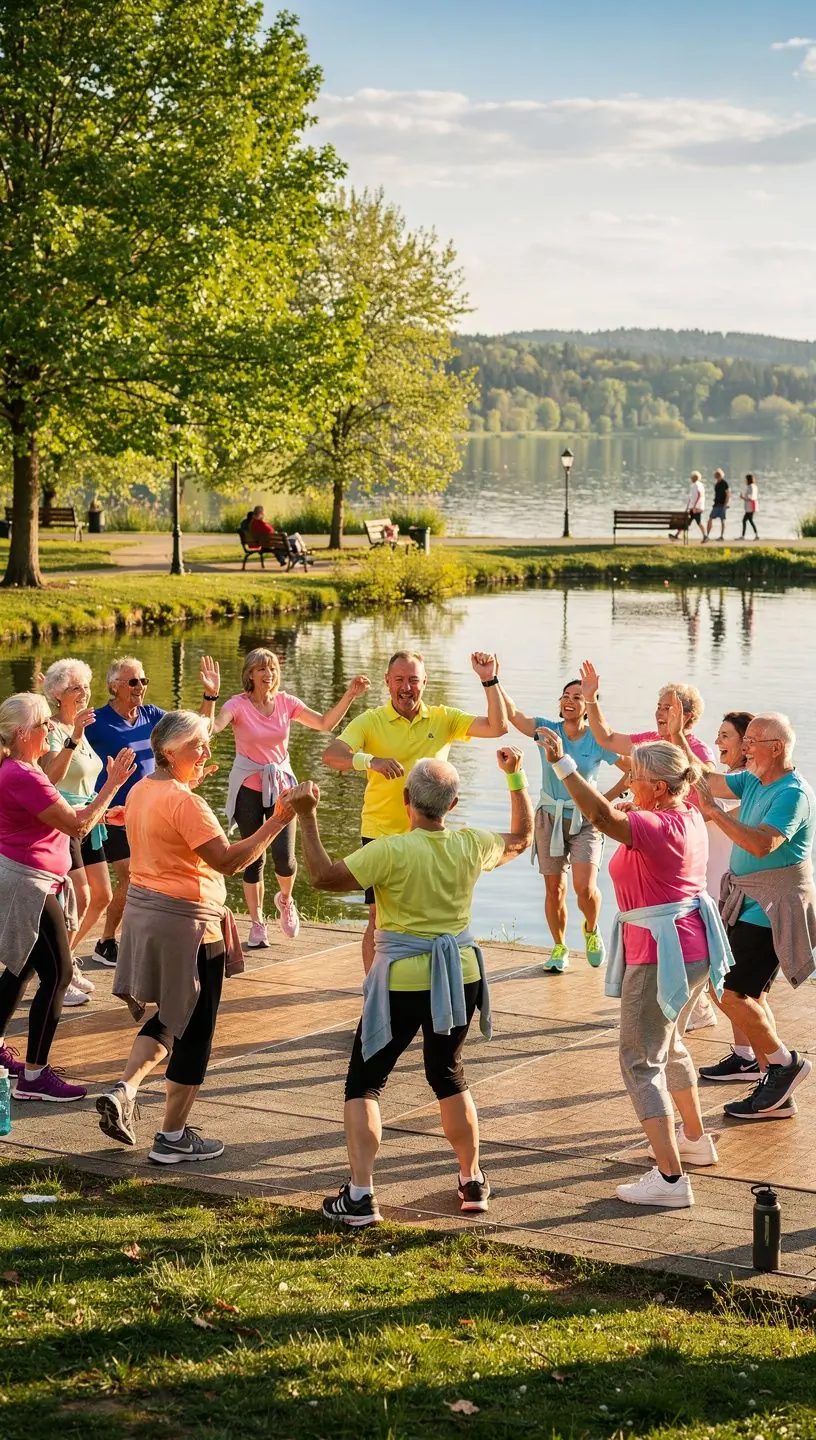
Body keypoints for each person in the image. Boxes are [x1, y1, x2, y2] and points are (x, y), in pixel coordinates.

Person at [289, 747, 533, 1225]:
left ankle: (361, 1196)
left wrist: (307, 815)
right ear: (453, 804)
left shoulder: (390, 850)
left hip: (402, 980)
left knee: (365, 1083)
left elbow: (320, 876)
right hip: (459, 974)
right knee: (448, 1073)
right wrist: (515, 776)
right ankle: (472, 1179)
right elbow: (522, 838)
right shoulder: (471, 843)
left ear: (406, 800)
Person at [536, 729, 730, 1209]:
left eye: (635, 776)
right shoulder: (687, 814)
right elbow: (615, 816)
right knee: (670, 1043)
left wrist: (563, 764)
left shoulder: (654, 825)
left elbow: (601, 817)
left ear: (659, 787)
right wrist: (627, 802)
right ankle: (694, 1140)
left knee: (639, 1060)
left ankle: (670, 1179)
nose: (629, 781)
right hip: (691, 947)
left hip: (660, 953)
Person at [96, 711, 295, 1160]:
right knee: (196, 1031)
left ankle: (125, 1089)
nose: (206, 751)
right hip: (192, 927)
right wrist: (279, 819)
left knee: (170, 1017)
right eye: (196, 745)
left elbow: (169, 823)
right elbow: (228, 861)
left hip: (150, 918)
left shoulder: (144, 789)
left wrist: (188, 783)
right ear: (169, 752)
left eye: (206, 743)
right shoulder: (185, 804)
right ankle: (172, 1138)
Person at [323, 650, 509, 973]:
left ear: (425, 682)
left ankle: (425, 982)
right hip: (382, 833)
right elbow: (332, 755)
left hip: (429, 835)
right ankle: (374, 989)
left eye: (413, 680)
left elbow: (497, 726)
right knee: (377, 917)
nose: (406, 688)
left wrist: (488, 680)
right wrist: (370, 761)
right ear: (387, 682)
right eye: (399, 680)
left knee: (429, 916)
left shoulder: (443, 718)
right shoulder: (370, 722)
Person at [0, 693, 134, 1101]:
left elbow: (59, 816)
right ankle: (35, 1077)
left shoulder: (23, 770)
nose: (49, 729)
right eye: (43, 724)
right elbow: (76, 825)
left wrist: (103, 809)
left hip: (29, 879)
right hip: (29, 885)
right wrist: (112, 785)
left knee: (21, 969)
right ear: (22, 734)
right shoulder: (22, 774)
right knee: (58, 974)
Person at [694, 713, 815, 1121]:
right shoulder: (752, 780)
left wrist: (716, 814)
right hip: (747, 901)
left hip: (772, 908)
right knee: (747, 994)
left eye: (752, 741)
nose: (744, 748)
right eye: (743, 741)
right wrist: (674, 740)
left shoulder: (793, 794)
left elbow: (764, 844)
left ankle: (784, 1064)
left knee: (730, 991)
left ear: (776, 748)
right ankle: (775, 1089)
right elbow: (705, 779)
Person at [209, 648, 370, 946]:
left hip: (283, 788)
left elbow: (325, 724)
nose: (268, 674)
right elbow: (212, 728)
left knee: (284, 859)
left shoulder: (286, 703)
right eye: (261, 669)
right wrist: (210, 697)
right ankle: (257, 923)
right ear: (250, 674)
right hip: (247, 787)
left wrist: (350, 694)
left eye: (272, 668)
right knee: (253, 858)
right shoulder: (237, 705)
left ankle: (285, 899)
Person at [85, 653, 219, 967]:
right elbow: (67, 742)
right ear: (114, 686)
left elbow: (194, 733)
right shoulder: (97, 722)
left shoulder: (153, 715)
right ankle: (107, 941)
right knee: (133, 877)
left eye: (143, 680)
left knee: (145, 879)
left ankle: (132, 939)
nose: (140, 687)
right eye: (133, 681)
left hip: (154, 811)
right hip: (115, 813)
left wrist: (210, 697)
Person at [499, 675, 627, 972]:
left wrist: (605, 800)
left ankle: (591, 930)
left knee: (585, 888)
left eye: (577, 697)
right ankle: (559, 947)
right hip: (549, 819)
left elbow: (631, 769)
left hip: (586, 821)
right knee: (554, 889)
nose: (569, 701)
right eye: (565, 695)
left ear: (588, 706)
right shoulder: (547, 730)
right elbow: (514, 715)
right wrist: (491, 680)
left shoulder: (598, 739)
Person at [39, 659, 108, 1006]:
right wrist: (75, 735)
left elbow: (86, 779)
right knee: (80, 896)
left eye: (86, 686)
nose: (83, 693)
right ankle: (58, 976)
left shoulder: (79, 725)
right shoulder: (51, 729)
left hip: (90, 821)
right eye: (75, 688)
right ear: (56, 693)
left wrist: (105, 810)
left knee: (102, 895)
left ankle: (67, 960)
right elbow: (49, 777)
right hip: (63, 822)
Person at [579, 664, 716, 767]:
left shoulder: (701, 750)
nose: (659, 712)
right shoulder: (651, 740)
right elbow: (607, 739)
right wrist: (591, 699)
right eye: (658, 707)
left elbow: (709, 784)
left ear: (685, 717)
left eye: (667, 708)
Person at [670, 471, 705, 542]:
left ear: (694, 478)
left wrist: (694, 506)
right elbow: (693, 497)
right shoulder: (698, 485)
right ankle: (676, 535)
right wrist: (689, 507)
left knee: (698, 523)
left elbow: (699, 495)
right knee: (686, 522)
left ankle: (705, 536)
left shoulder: (696, 485)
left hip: (696, 508)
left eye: (691, 477)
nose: (691, 478)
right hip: (694, 508)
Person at [704, 469, 730, 543]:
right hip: (716, 504)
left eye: (716, 474)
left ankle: (721, 536)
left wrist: (725, 504)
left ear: (719, 475)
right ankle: (707, 535)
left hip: (722, 505)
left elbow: (728, 494)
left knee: (722, 520)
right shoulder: (717, 484)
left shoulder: (724, 483)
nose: (715, 476)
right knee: (710, 518)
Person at [739, 474, 759, 540]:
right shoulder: (754, 486)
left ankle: (743, 536)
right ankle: (755, 535)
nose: (745, 481)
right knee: (749, 520)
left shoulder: (750, 487)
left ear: (748, 480)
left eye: (746, 479)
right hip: (752, 506)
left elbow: (750, 498)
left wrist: (742, 497)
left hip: (750, 507)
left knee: (745, 520)